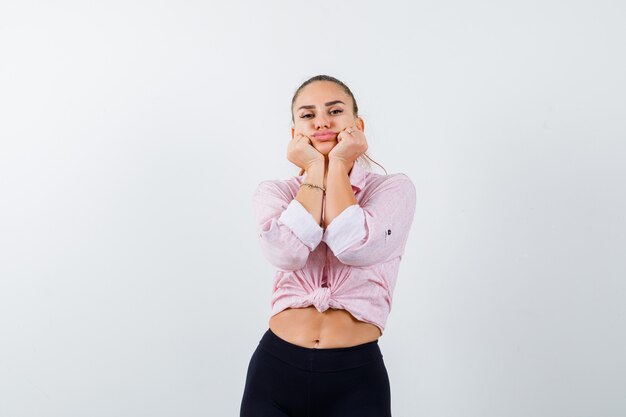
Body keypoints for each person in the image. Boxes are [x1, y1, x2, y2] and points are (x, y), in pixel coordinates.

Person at [240, 75, 417, 417]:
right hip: (275, 370)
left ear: (357, 125)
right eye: (307, 115)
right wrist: (312, 170)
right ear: (295, 134)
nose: (321, 121)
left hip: (355, 378)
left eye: (334, 110)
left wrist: (335, 164)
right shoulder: (273, 193)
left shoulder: (393, 190)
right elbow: (287, 253)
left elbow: (354, 245)